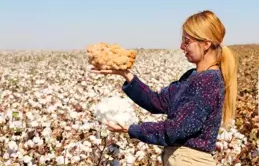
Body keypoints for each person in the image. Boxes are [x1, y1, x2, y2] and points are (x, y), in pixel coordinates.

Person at [91, 10, 238, 166]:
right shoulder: (192, 76)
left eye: (187, 41)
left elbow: (177, 129)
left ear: (206, 44)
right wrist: (126, 74)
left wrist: (132, 129)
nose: (182, 46)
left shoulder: (208, 81)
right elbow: (157, 102)